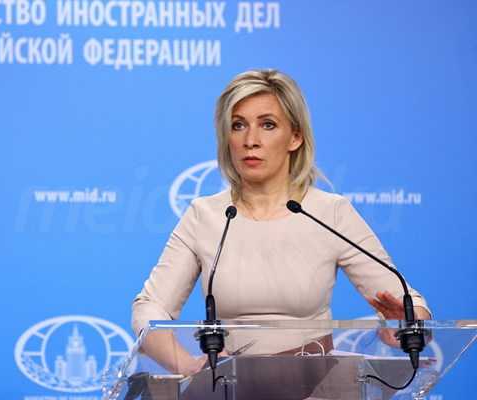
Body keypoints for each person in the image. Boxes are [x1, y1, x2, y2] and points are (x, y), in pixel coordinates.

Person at [131, 69, 431, 375]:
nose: (251, 140)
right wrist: (190, 367)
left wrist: (406, 324)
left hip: (315, 386)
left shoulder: (330, 213)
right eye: (238, 125)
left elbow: (410, 304)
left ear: (295, 137)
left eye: (268, 125)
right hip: (232, 386)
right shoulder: (204, 215)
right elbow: (149, 308)